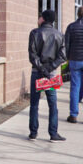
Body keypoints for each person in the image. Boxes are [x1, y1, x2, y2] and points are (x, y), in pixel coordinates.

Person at [28, 10, 67, 142]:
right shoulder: (59, 34)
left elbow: (32, 55)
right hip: (51, 74)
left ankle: (33, 133)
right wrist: (49, 69)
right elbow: (62, 56)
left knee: (34, 104)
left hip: (37, 72)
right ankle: (53, 133)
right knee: (52, 104)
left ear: (43, 19)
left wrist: (42, 68)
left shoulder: (35, 33)